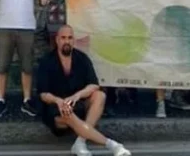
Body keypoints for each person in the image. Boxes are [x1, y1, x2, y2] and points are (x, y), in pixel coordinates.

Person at [36, 25, 131, 156]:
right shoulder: (47, 61)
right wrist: (58, 101)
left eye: (69, 38)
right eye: (63, 38)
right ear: (57, 40)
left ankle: (80, 142)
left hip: (78, 105)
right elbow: (43, 94)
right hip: (56, 110)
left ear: (73, 40)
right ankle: (112, 145)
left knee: (100, 96)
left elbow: (94, 85)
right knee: (66, 111)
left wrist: (77, 95)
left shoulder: (82, 58)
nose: (66, 41)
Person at [146, 0, 190, 118]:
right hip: (157, 31)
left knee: (179, 64)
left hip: (177, 30)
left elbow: (189, 2)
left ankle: (177, 96)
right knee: (160, 67)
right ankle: (160, 103)